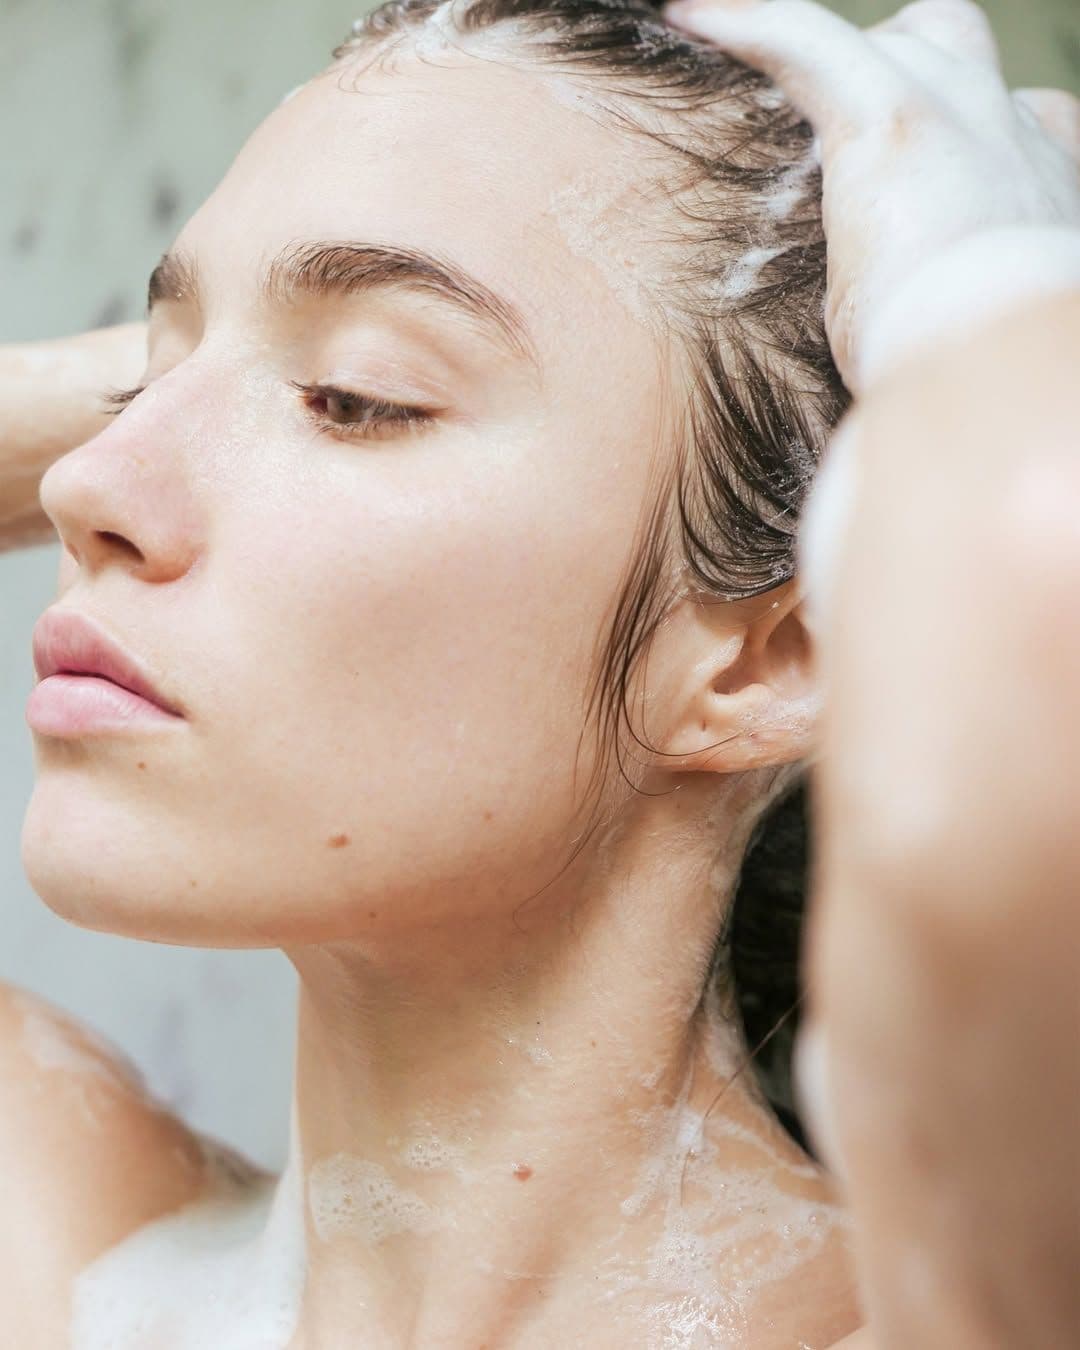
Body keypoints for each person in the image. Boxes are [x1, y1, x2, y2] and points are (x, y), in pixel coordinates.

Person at [0, 2, 1076, 1348]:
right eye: (135, 392)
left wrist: (974, 282)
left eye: (359, 396)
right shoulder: (57, 1256)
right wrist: (245, 346)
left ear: (773, 645)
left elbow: (1045, 587)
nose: (84, 481)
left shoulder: (992, 1297)